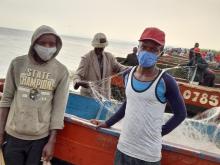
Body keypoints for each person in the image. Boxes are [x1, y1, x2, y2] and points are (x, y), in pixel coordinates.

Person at [91, 27, 187, 165]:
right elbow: (127, 104)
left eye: (153, 49)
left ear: (161, 53)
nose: (147, 52)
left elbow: (181, 114)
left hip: (148, 155)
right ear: (138, 47)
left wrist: (159, 132)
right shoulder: (127, 75)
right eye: (144, 47)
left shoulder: (166, 81)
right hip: (123, 148)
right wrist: (107, 123)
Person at [0, 25, 70, 165]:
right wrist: (0, 131)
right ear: (33, 44)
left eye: (52, 44)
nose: (47, 47)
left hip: (39, 139)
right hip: (13, 135)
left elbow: (58, 109)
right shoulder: (17, 64)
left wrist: (51, 141)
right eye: (42, 43)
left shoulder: (61, 71)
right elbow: (6, 99)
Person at [73, 33, 127, 99]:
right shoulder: (86, 58)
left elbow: (120, 68)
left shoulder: (109, 57)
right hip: (88, 97)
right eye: (98, 47)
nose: (100, 49)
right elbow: (77, 75)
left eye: (102, 47)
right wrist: (78, 82)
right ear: (94, 46)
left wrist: (132, 69)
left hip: (105, 98)